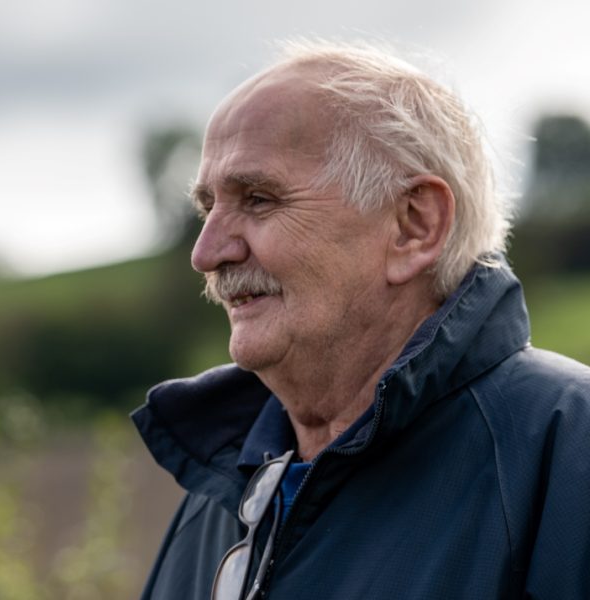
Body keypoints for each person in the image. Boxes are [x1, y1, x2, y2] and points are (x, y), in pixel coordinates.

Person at [132, 40, 590, 599]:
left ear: (414, 225)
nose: (206, 254)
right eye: (208, 207)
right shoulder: (216, 499)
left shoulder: (570, 455)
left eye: (258, 199)